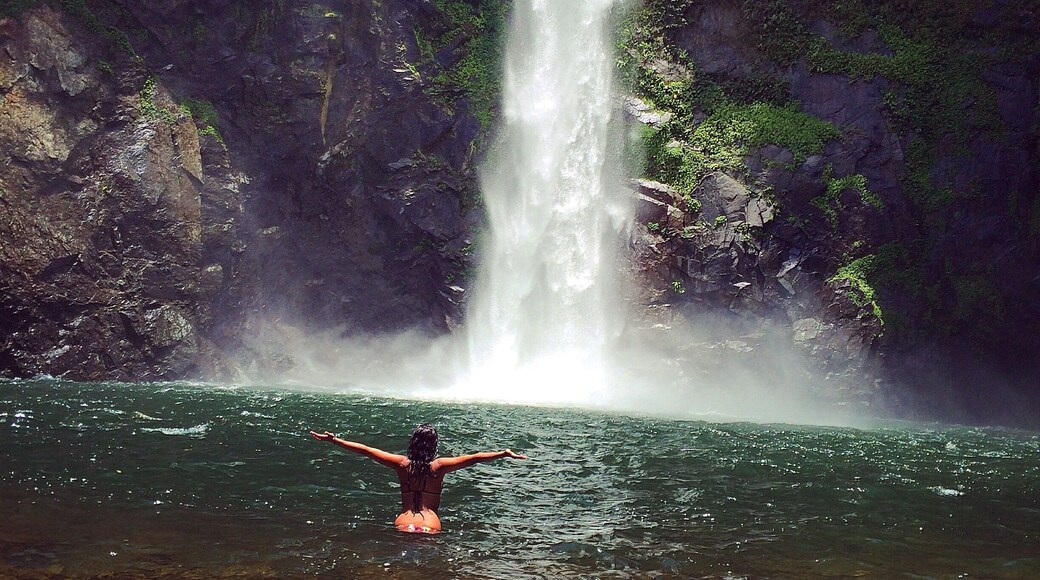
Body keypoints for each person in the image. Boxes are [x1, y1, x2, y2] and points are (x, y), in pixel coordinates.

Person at [309, 423, 527, 534]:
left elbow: (366, 450)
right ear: (434, 446)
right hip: (430, 525)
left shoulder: (401, 465)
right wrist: (503, 453)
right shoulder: (439, 467)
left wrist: (334, 440)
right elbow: (475, 458)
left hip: (404, 523)